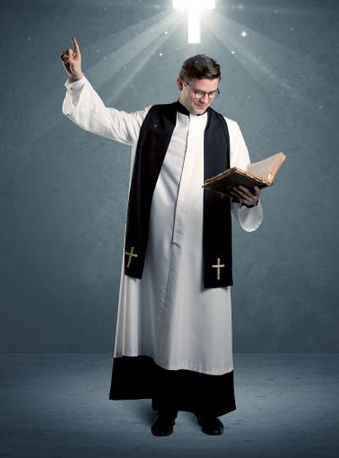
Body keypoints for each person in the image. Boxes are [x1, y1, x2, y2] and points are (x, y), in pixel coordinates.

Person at [60, 37, 263, 437]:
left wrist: (251, 199)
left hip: (207, 249)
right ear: (180, 84)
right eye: (197, 91)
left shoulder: (229, 130)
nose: (205, 99)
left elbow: (245, 185)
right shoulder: (151, 120)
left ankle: (208, 408)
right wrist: (79, 79)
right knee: (164, 326)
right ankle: (166, 407)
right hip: (159, 250)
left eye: (212, 92)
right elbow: (104, 119)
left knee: (207, 329)